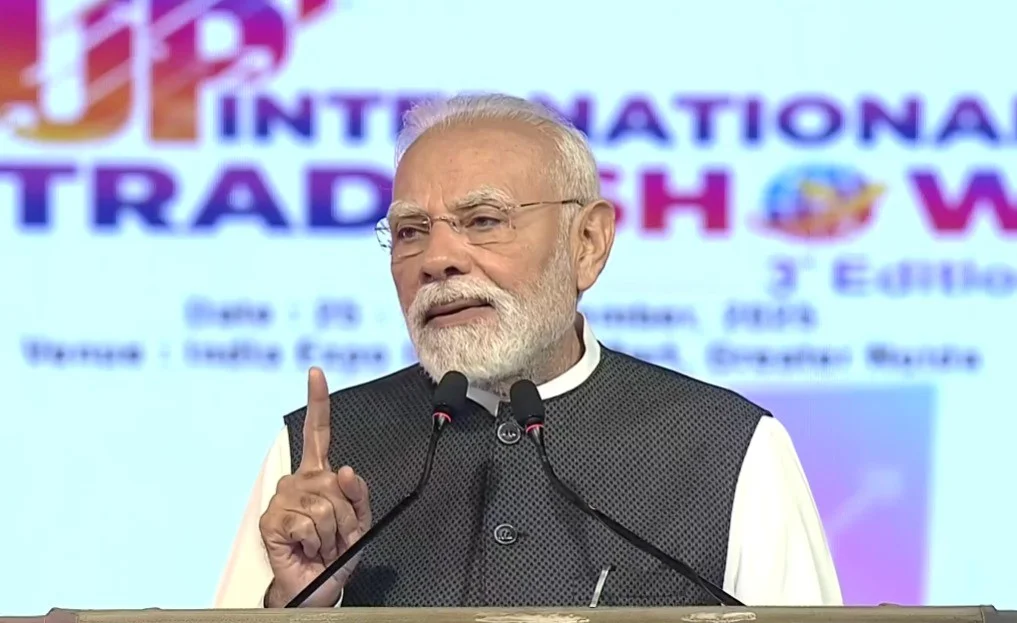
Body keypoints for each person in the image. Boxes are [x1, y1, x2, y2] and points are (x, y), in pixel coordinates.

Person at [213, 93, 842, 609]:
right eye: (410, 231)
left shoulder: (727, 446)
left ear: (588, 242)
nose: (437, 258)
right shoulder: (317, 462)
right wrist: (299, 602)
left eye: (484, 220)